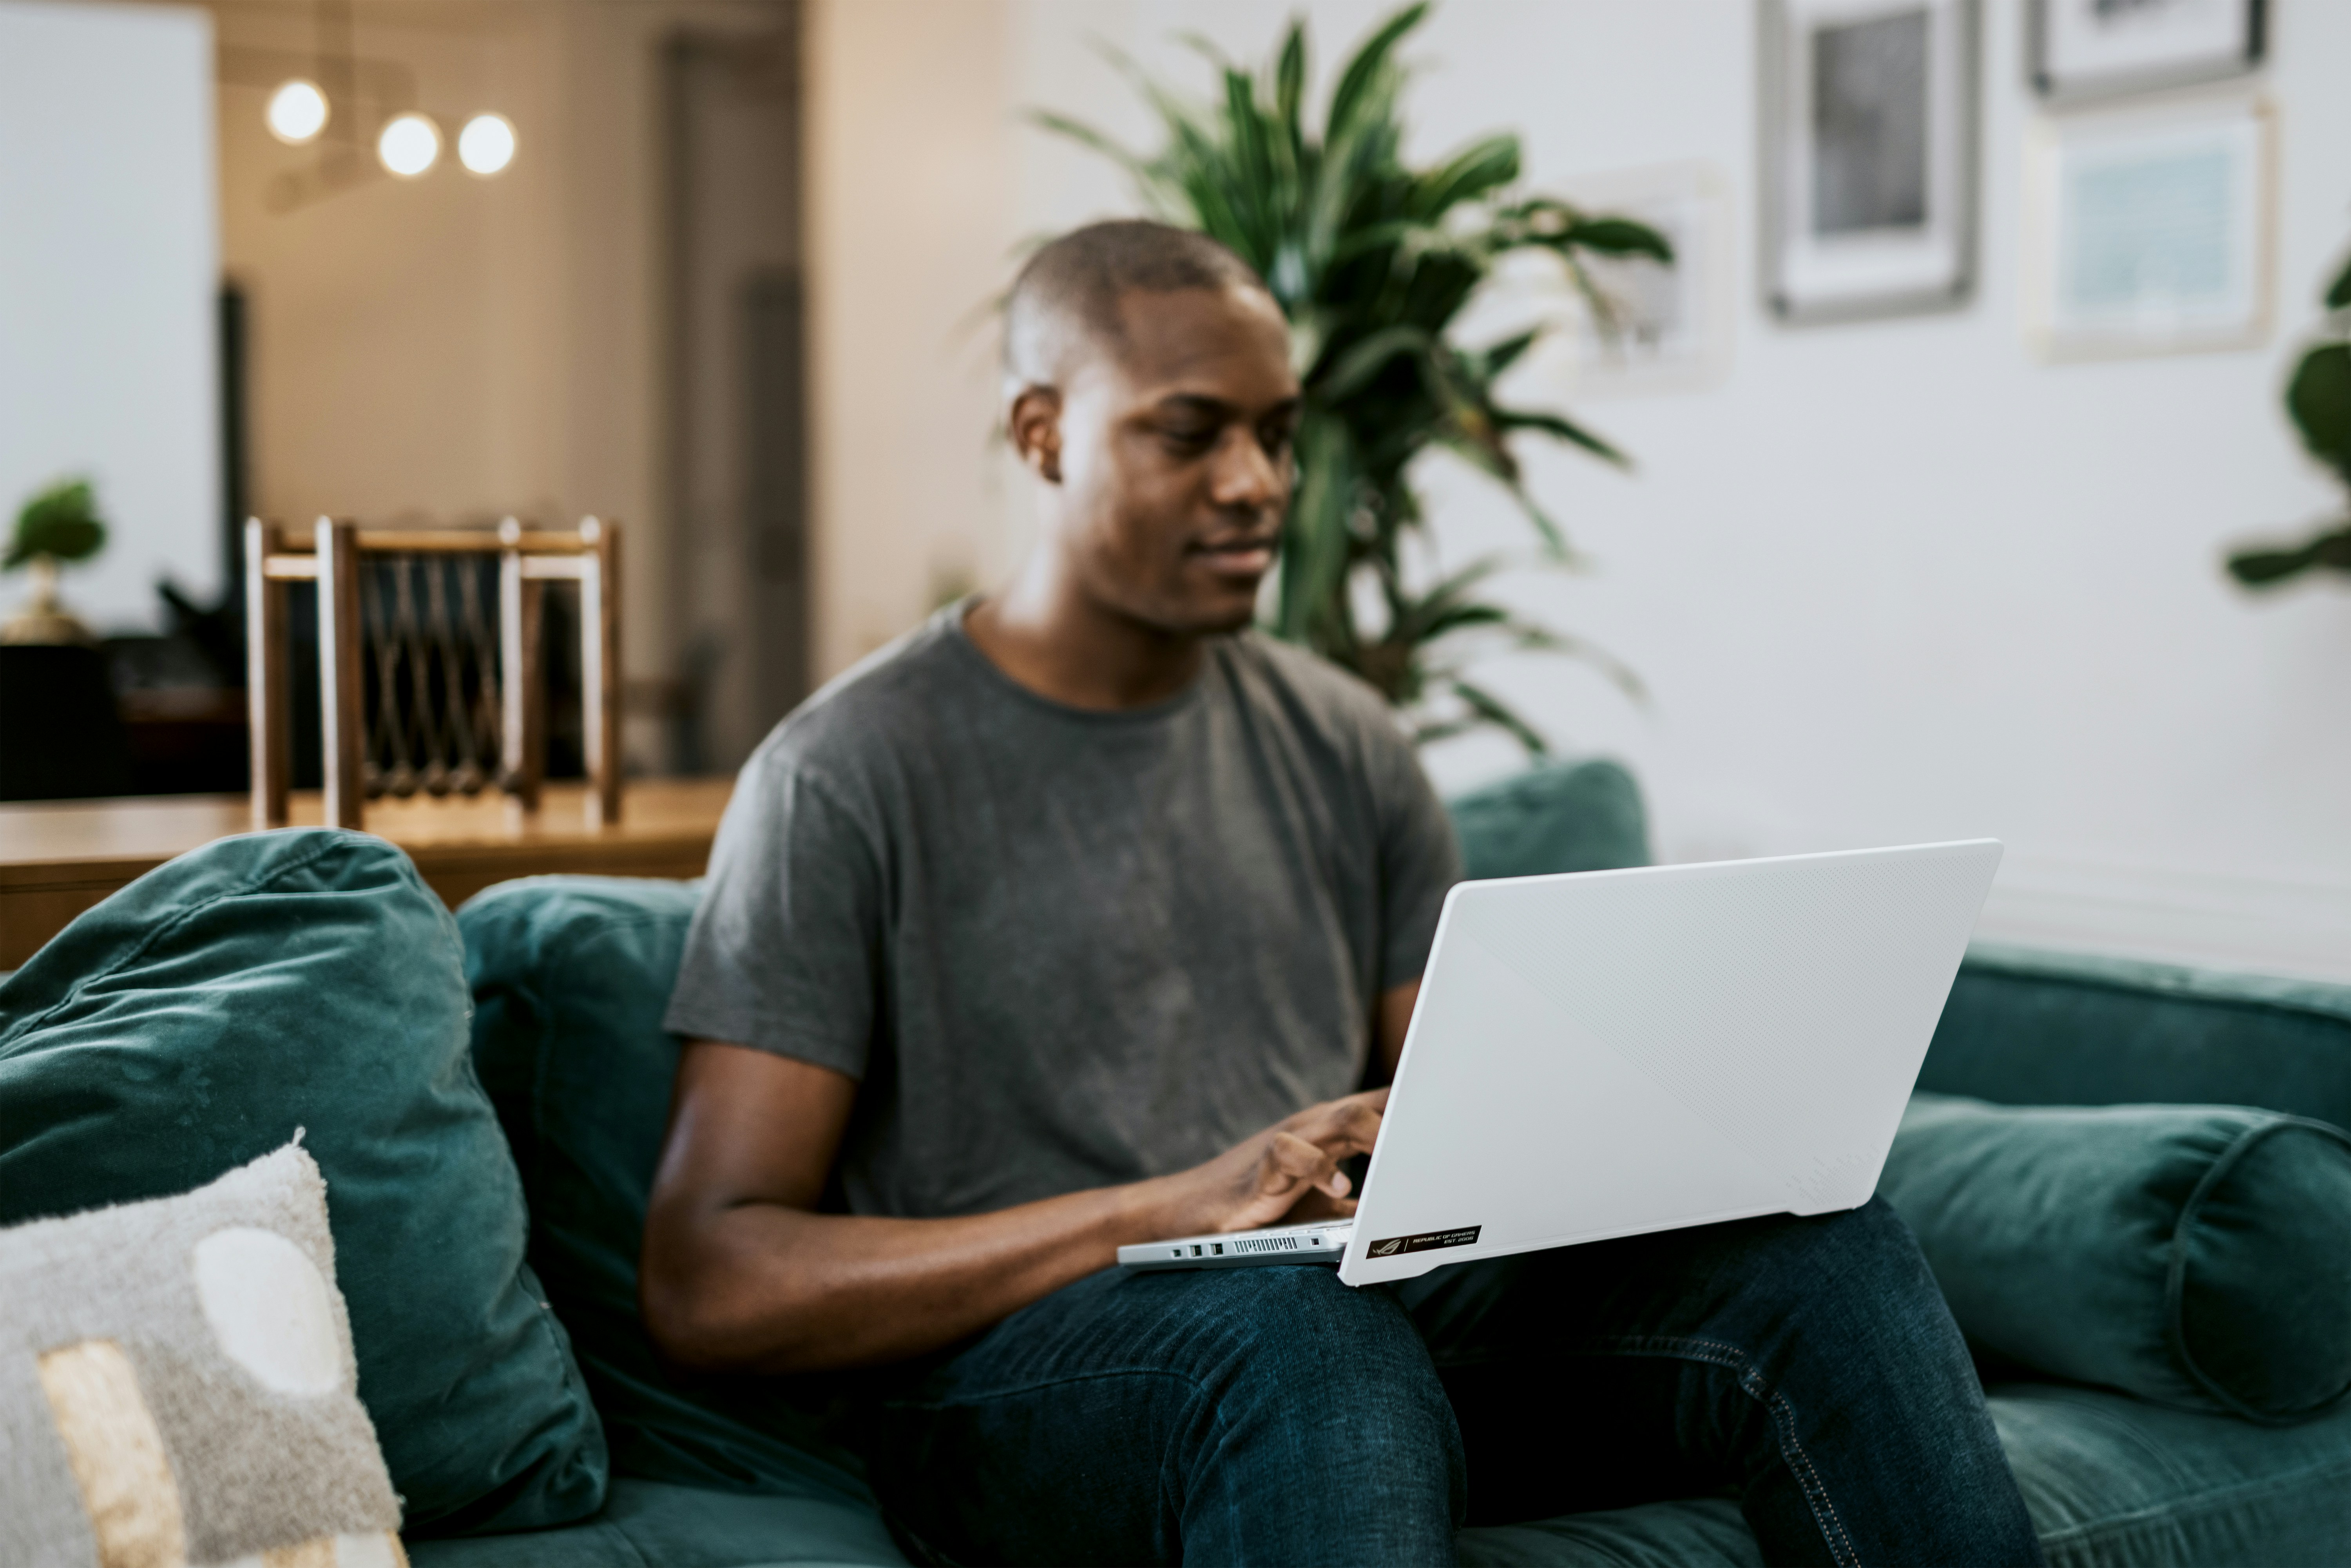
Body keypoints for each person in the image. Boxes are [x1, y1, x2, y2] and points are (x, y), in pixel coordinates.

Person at [643, 219, 2044, 1566]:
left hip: (1347, 1330)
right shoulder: (842, 774)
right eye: (1191, 432)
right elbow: (711, 1277)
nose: (1257, 481)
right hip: (1025, 1389)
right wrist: (1177, 1207)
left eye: (1277, 432)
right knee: (1296, 1330)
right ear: (1044, 433)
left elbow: (1457, 1115)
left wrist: (1677, 1117)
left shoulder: (1343, 738)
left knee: (1829, 1261)